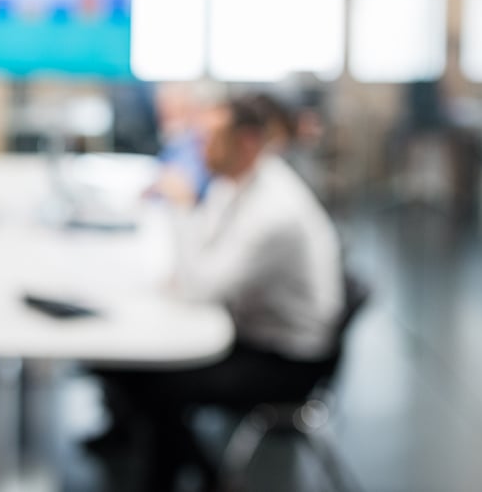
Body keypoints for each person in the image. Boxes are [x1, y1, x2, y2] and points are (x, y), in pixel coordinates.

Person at [98, 96, 345, 491]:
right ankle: (184, 470)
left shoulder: (274, 210)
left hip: (286, 359)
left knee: (152, 385)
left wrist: (180, 207)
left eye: (210, 138)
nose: (200, 148)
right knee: (126, 369)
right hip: (252, 327)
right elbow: (202, 260)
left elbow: (200, 287)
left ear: (247, 142)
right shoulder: (234, 182)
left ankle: (201, 478)